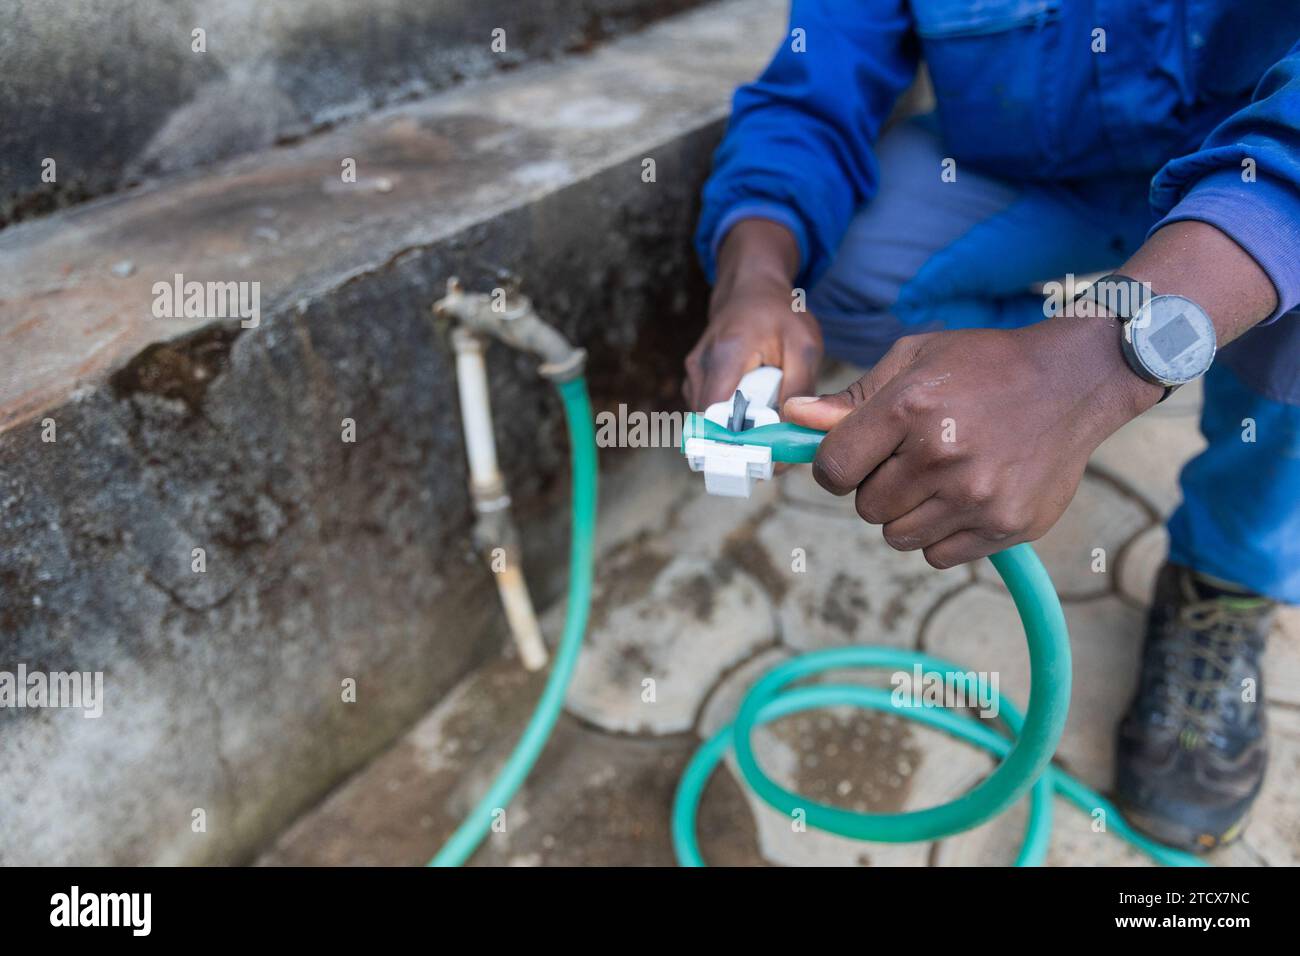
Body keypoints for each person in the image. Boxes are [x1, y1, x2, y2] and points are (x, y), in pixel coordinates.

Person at [686, 0, 1300, 853]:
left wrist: (1097, 366)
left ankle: (1226, 576)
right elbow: (811, 88)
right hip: (1053, 182)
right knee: (849, 265)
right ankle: (1023, 375)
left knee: (1287, 307)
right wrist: (752, 276)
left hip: (1249, 181)